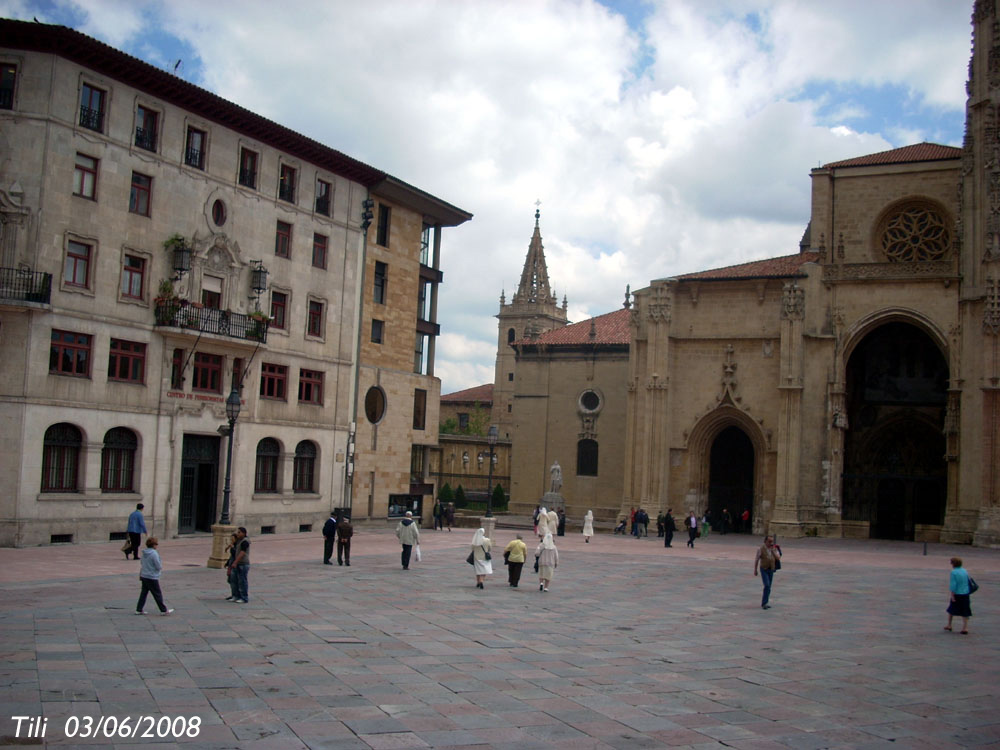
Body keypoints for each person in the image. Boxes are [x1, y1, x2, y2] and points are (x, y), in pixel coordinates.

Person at [136, 537, 173, 615]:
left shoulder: (144, 553)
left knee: (144, 593)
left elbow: (142, 563)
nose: (157, 546)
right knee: (157, 593)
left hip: (144, 575)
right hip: (152, 576)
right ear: (153, 545)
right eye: (156, 544)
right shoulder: (154, 553)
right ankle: (163, 610)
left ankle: (139, 609)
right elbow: (158, 566)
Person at [945, 556, 972, 634]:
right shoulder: (965, 571)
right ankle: (965, 627)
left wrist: (952, 595)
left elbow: (953, 584)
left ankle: (949, 625)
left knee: (951, 609)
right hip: (965, 593)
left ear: (953, 564)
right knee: (965, 611)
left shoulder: (953, 572)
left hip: (957, 593)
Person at [753, 534, 781, 609]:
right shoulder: (760, 549)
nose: (771, 543)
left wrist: (773, 551)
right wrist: (755, 570)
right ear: (765, 541)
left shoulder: (774, 549)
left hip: (771, 569)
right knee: (767, 585)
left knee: (769, 587)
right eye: (769, 541)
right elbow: (757, 559)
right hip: (764, 569)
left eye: (772, 541)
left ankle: (766, 602)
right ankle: (764, 603)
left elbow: (778, 558)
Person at [227, 527, 251, 603]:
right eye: (238, 532)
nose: (238, 534)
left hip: (243, 564)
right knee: (234, 580)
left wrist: (235, 562)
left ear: (244, 533)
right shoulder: (239, 541)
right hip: (237, 564)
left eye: (239, 532)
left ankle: (244, 597)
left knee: (242, 581)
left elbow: (242, 553)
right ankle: (235, 596)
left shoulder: (245, 541)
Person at [224, 532, 238, 600]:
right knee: (230, 580)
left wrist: (232, 548)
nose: (231, 540)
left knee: (233, 580)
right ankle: (233, 594)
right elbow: (231, 556)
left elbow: (236, 555)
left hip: (234, 564)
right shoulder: (233, 545)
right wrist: (227, 563)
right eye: (231, 539)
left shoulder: (237, 546)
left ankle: (235, 595)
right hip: (231, 563)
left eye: (232, 539)